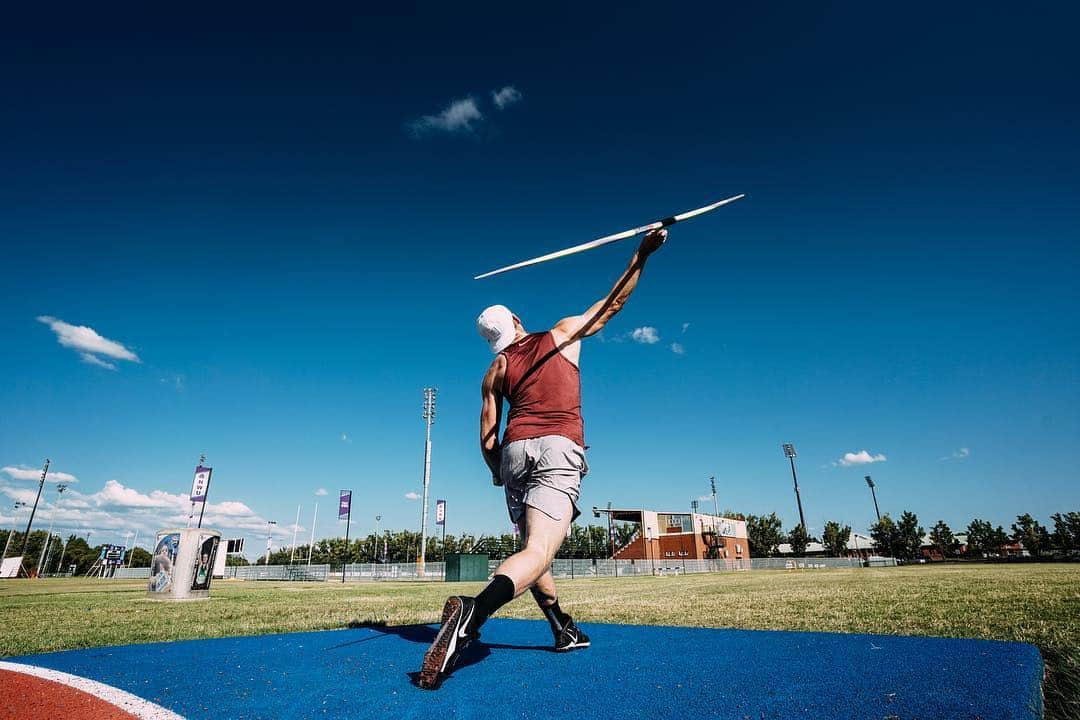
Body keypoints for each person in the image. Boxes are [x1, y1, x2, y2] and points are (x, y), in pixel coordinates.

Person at [418, 228, 667, 689]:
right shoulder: (560, 334)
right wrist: (642, 254)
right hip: (556, 447)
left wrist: (497, 472)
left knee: (535, 550)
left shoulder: (494, 369)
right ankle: (473, 613)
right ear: (516, 319)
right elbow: (612, 304)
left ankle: (562, 627)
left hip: (514, 452)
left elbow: (486, 435)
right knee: (538, 550)